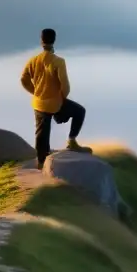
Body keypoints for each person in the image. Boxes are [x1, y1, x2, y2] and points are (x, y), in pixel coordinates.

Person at [20, 28, 91, 169]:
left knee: (41, 133)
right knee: (79, 111)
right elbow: (65, 86)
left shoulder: (33, 60)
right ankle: (71, 141)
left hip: (38, 103)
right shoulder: (58, 61)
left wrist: (35, 92)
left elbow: (23, 79)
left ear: (41, 40)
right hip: (55, 103)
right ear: (54, 40)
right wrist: (62, 99)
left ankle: (41, 161)